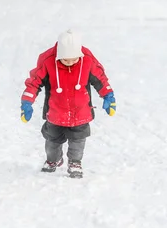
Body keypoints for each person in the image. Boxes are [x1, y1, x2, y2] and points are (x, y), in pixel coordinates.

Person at [20, 30, 116, 178]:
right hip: (55, 112)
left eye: (73, 59)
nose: (70, 62)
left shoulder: (88, 60)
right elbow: (34, 82)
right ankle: (53, 160)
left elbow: (100, 79)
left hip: (81, 112)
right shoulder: (47, 60)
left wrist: (108, 95)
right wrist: (27, 101)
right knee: (52, 141)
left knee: (77, 141)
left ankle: (75, 162)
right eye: (65, 60)